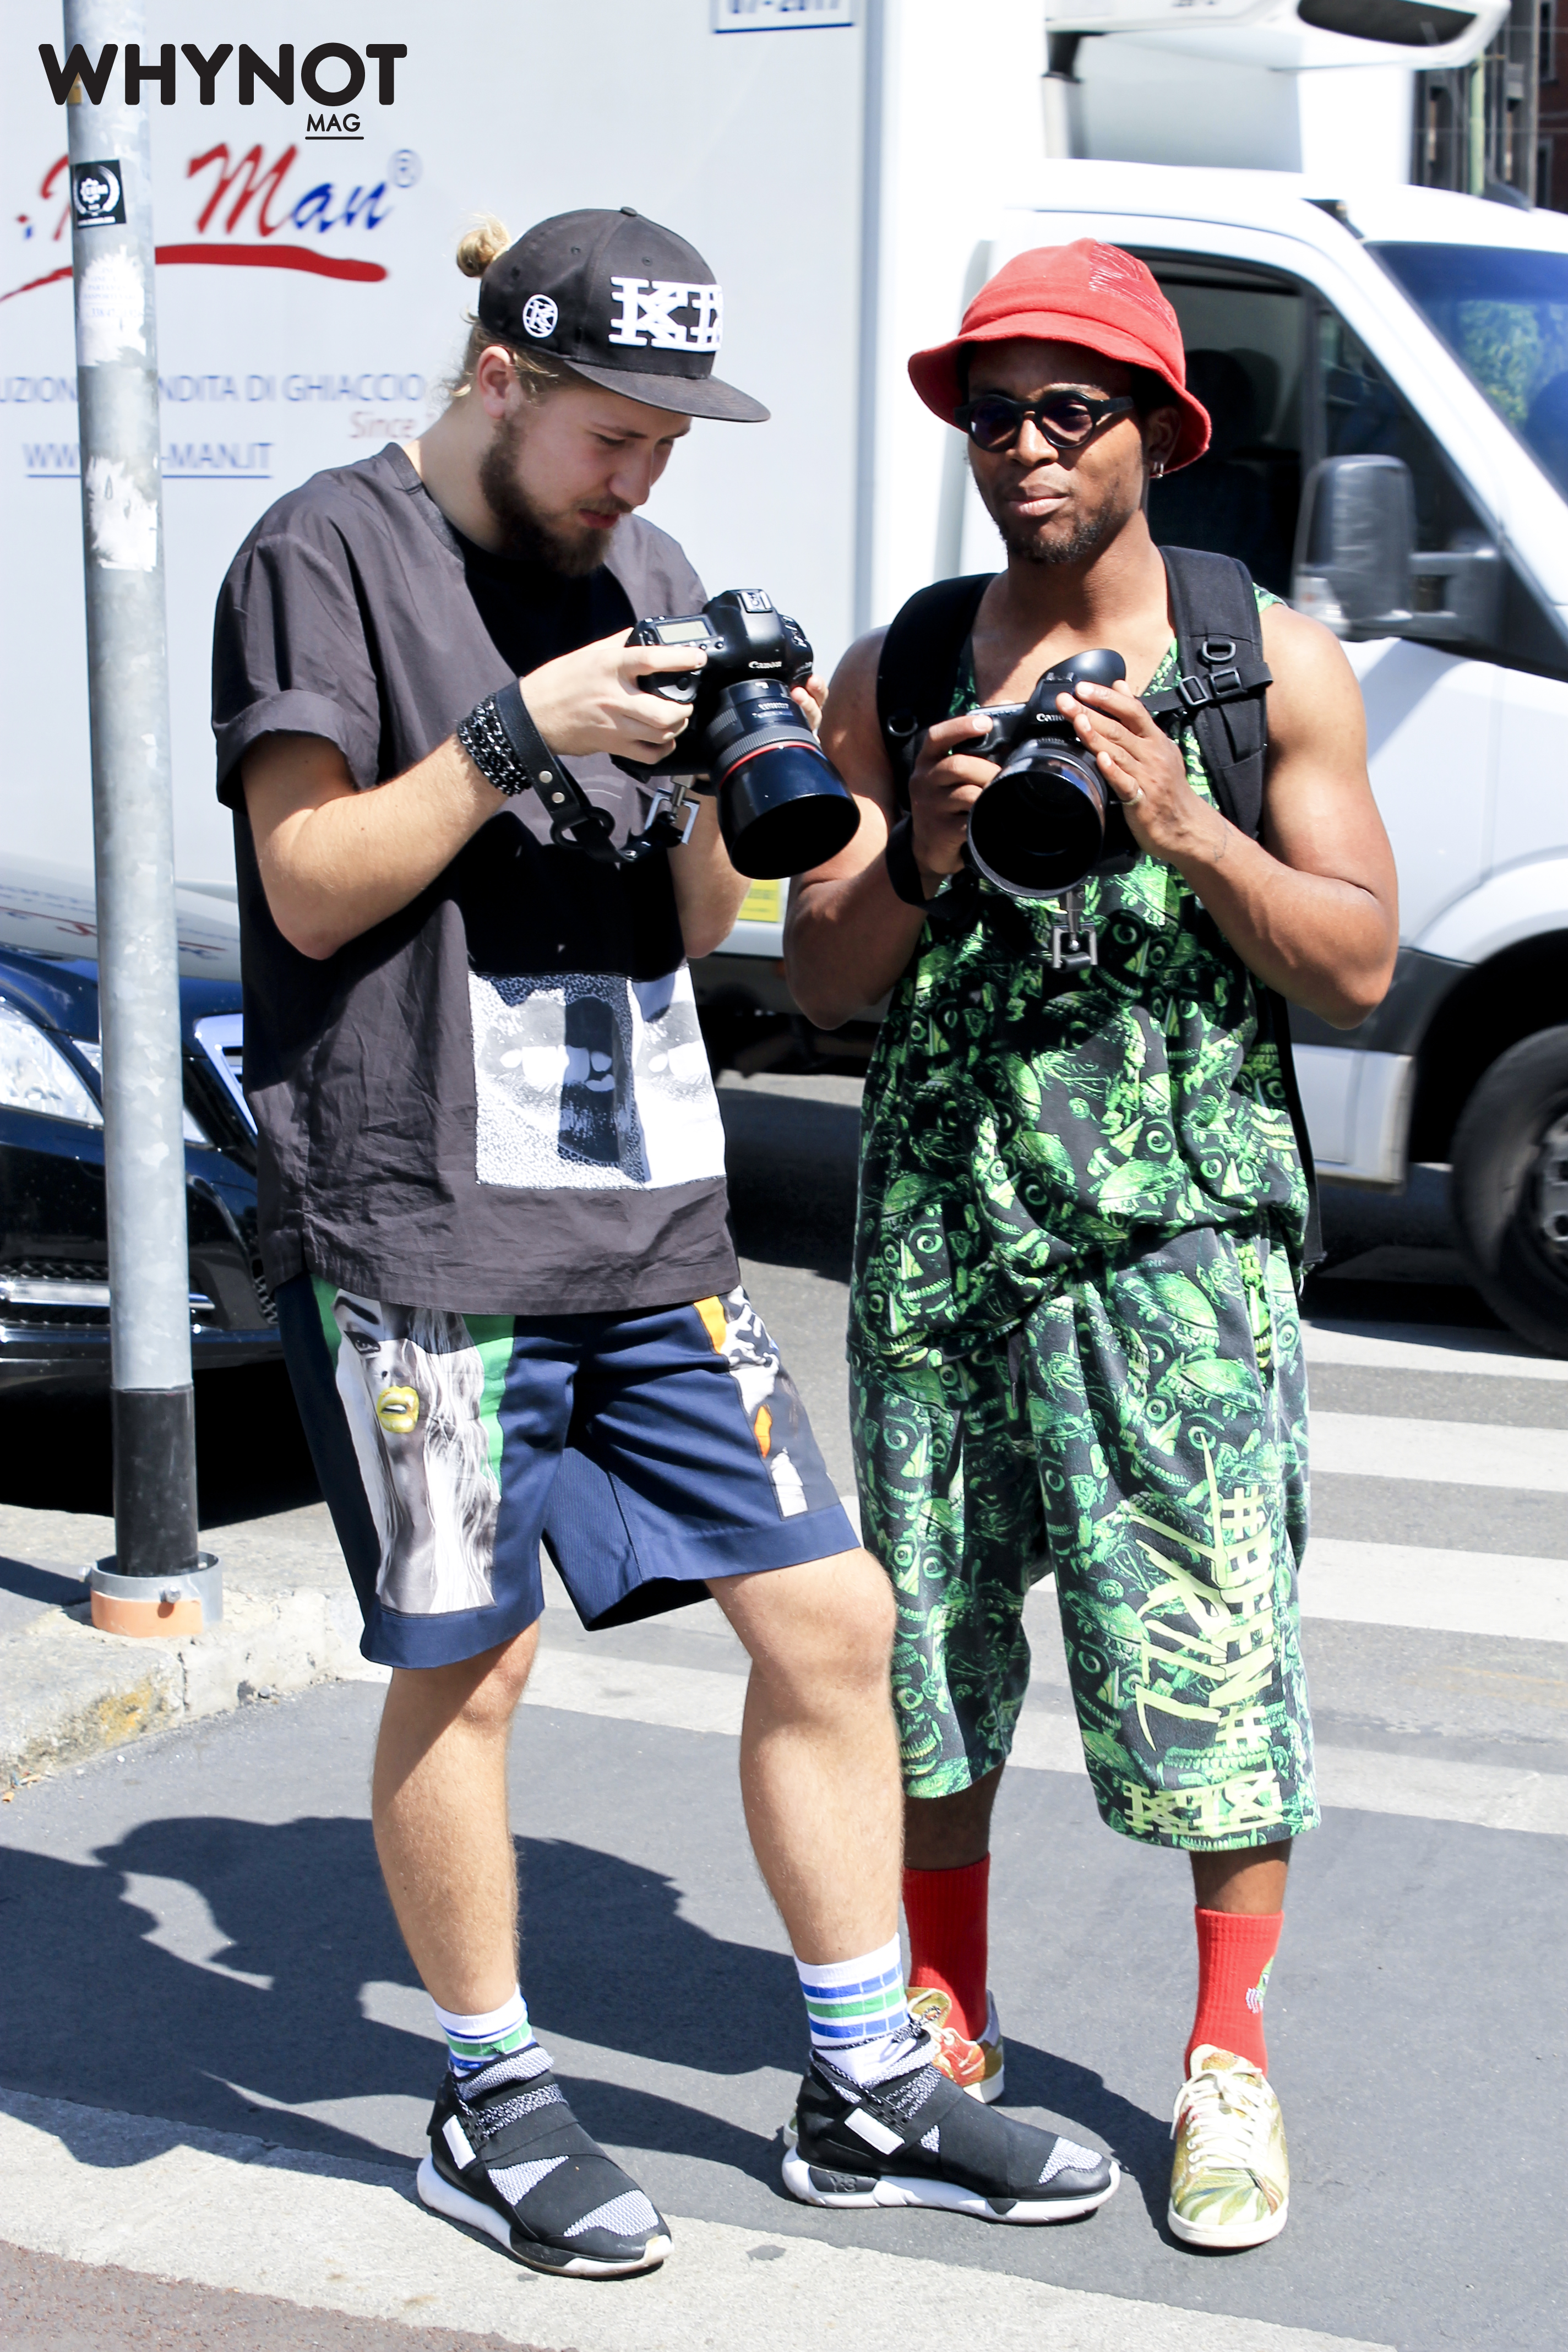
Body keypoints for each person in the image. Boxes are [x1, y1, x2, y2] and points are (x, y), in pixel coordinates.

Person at [211, 206, 1119, 2283]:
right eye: (617, 436)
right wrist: (525, 732)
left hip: (650, 1222)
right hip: (425, 1223)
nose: (646, 485)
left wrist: (750, 763)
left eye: (673, 446)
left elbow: (703, 928)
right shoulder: (322, 554)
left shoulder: (655, 575)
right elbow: (315, 886)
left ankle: (863, 2082)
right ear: (501, 382)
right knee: (474, 1661)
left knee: (832, 1622)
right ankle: (488, 2092)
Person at [785, 240, 1398, 2251]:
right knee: (931, 1651)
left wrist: (1193, 824)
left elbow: (1363, 960)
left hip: (1179, 1245)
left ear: (1159, 430)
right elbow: (820, 967)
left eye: (1069, 410)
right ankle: (943, 2009)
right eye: (990, 412)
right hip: (951, 1224)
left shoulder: (1262, 661)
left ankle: (1228, 2061)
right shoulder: (906, 664)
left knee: (1212, 1647)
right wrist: (933, 846)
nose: (1024, 448)